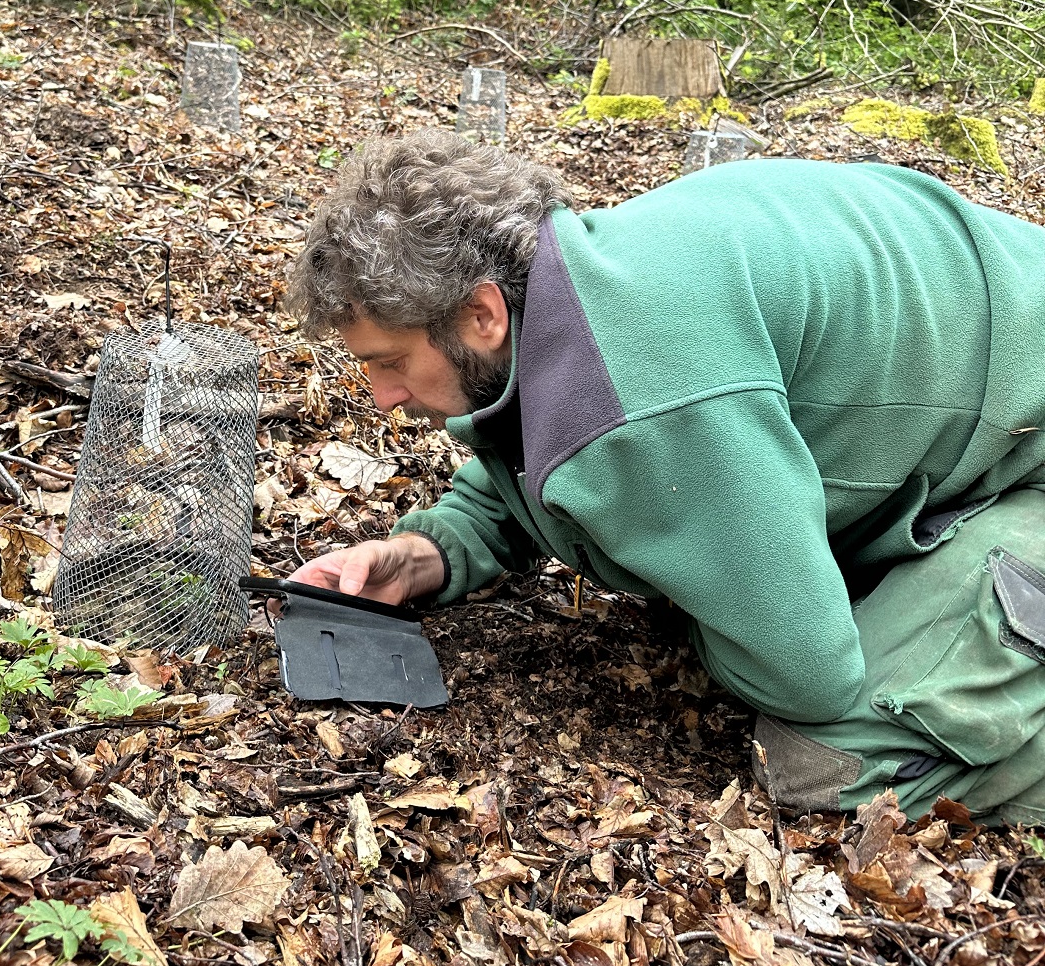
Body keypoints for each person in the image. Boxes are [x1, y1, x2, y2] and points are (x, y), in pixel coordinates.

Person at [284, 129, 1045, 824]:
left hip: (1026, 459)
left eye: (390, 362)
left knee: (831, 764)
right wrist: (429, 553)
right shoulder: (572, 287)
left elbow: (808, 672)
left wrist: (698, 606)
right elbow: (540, 449)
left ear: (482, 314)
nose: (383, 396)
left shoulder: (646, 387)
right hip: (973, 412)